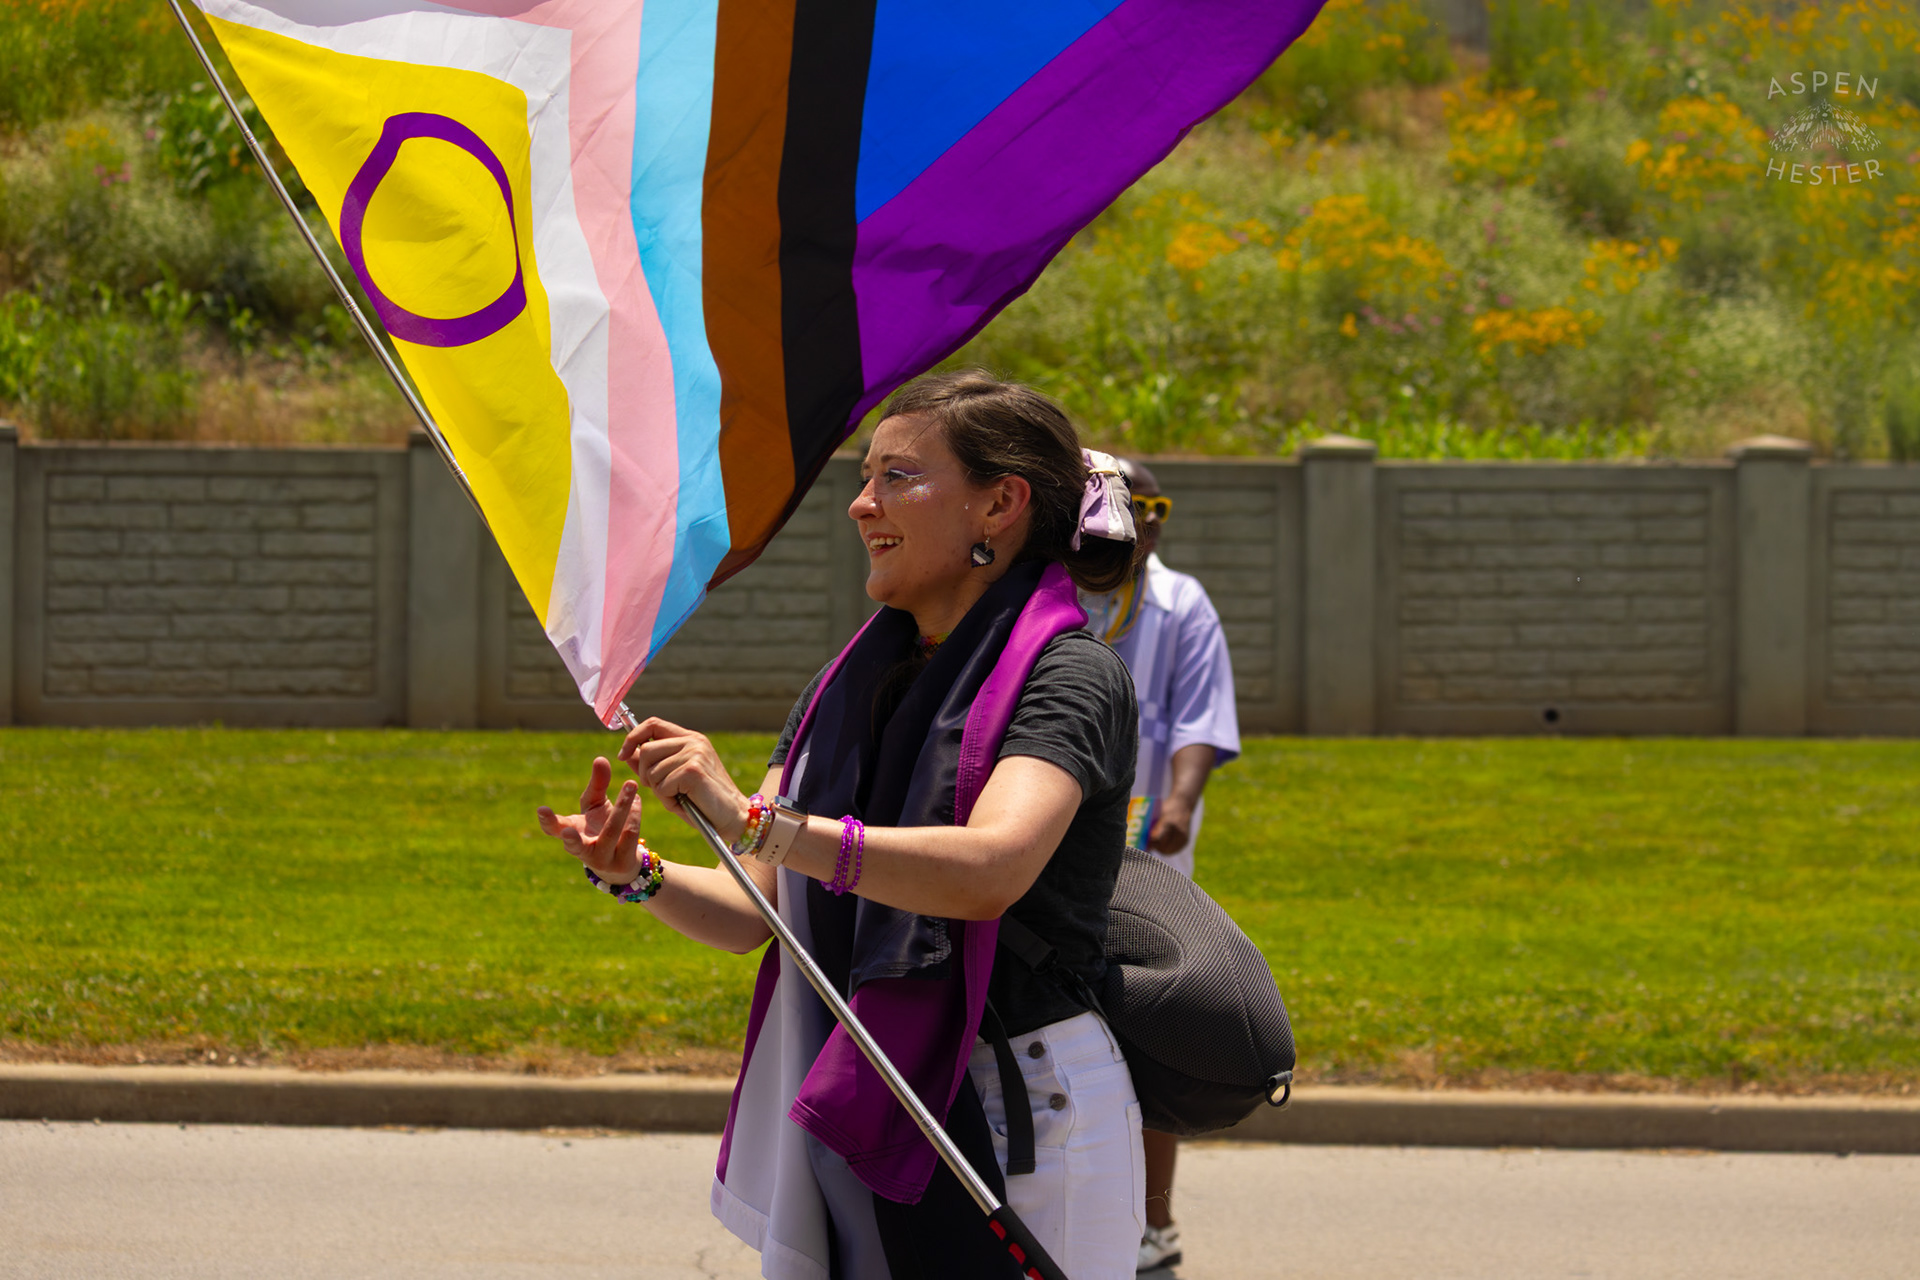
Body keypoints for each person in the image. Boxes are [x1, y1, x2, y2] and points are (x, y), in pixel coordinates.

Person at [537, 371, 1149, 1280]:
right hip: (867, 1088)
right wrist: (640, 874)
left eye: (900, 477)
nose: (863, 505)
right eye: (865, 480)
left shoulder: (1069, 677)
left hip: (1025, 1106)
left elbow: (988, 870)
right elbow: (762, 913)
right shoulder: (841, 688)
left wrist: (755, 820)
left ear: (1001, 504)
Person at [1078, 458, 1241, 1275]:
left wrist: (1178, 802)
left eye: (1149, 508)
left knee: (1148, 1032)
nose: (1138, 524)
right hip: (1054, 851)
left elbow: (1198, 718)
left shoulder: (1181, 604)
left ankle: (1152, 1229)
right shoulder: (1050, 598)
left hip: (1148, 852)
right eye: (1118, 508)